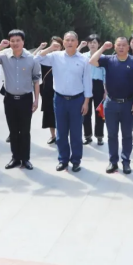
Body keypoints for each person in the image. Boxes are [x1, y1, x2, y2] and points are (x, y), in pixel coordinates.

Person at [0, 30, 41, 171]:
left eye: (18, 40)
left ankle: (25, 159)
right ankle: (15, 158)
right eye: (12, 41)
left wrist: (36, 100)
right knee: (13, 130)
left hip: (26, 99)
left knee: (25, 131)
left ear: (23, 42)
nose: (15, 43)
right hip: (10, 99)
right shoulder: (4, 56)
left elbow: (36, 80)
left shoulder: (32, 59)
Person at [36, 32, 93, 173]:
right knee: (61, 132)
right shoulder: (55, 56)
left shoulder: (84, 59)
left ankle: (76, 161)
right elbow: (36, 59)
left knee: (76, 133)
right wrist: (50, 48)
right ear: (63, 42)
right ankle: (63, 160)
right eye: (67, 40)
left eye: (72, 40)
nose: (70, 42)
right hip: (60, 99)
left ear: (77, 42)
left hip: (77, 100)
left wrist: (86, 102)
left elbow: (87, 82)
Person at [89, 38, 133, 175]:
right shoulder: (108, 60)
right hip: (111, 103)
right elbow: (92, 61)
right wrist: (103, 48)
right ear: (114, 46)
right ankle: (113, 162)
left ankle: (126, 162)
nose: (121, 47)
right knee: (112, 135)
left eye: (124, 45)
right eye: (118, 45)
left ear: (128, 47)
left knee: (127, 135)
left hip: (128, 103)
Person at [37, 36, 63, 145]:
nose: (55, 47)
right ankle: (53, 136)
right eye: (53, 45)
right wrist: (46, 49)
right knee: (49, 113)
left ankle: (62, 135)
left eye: (57, 45)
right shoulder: (45, 58)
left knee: (61, 113)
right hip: (47, 89)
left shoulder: (64, 57)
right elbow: (34, 59)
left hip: (61, 90)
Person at [82, 35, 106, 146]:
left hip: (98, 85)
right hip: (85, 85)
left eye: (95, 42)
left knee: (99, 112)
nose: (92, 44)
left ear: (99, 44)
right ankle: (87, 136)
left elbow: (106, 75)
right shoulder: (83, 56)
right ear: (87, 44)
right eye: (90, 42)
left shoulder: (103, 57)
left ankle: (99, 136)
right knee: (86, 111)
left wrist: (106, 91)